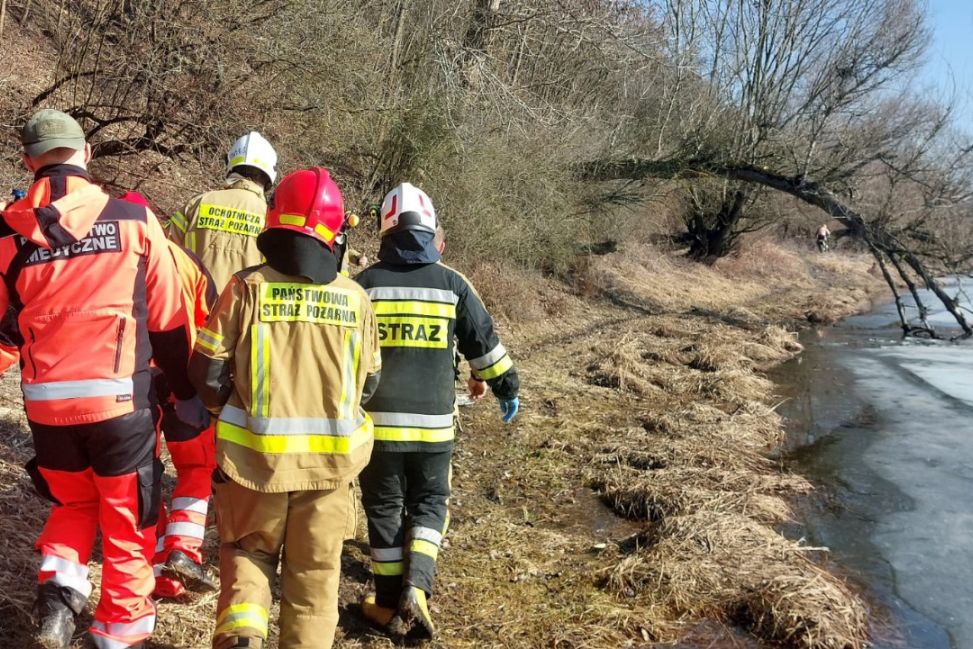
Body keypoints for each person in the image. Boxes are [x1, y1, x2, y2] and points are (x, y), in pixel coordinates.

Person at [0, 109, 206, 649]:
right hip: (121, 407)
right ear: (86, 155)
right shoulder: (135, 221)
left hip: (46, 411)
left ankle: (59, 596)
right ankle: (118, 634)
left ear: (28, 162)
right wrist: (185, 393)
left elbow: (1, 330)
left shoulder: (6, 237)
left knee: (74, 504)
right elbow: (168, 322)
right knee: (127, 525)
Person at [188, 167, 382, 649]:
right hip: (331, 472)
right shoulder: (355, 299)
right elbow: (370, 384)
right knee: (315, 581)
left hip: (255, 466)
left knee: (247, 557)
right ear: (334, 235)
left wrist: (224, 414)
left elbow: (207, 375)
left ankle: (243, 636)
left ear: (274, 223)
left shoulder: (245, 288)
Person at [355, 183, 520, 638]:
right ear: (431, 231)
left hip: (376, 428)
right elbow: (484, 346)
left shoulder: (362, 285)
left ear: (384, 228)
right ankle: (418, 590)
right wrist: (507, 387)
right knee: (430, 504)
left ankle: (387, 601)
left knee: (384, 509)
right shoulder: (452, 284)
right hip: (434, 429)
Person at [120, 191, 220, 598]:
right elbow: (210, 325)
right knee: (197, 466)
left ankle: (154, 561)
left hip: (129, 380)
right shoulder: (185, 260)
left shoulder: (101, 257)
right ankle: (182, 553)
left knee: (143, 470)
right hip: (182, 381)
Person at [169, 132, 277, 290]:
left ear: (231, 164)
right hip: (238, 311)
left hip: (190, 308)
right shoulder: (270, 218)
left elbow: (164, 250)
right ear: (270, 175)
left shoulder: (197, 204)